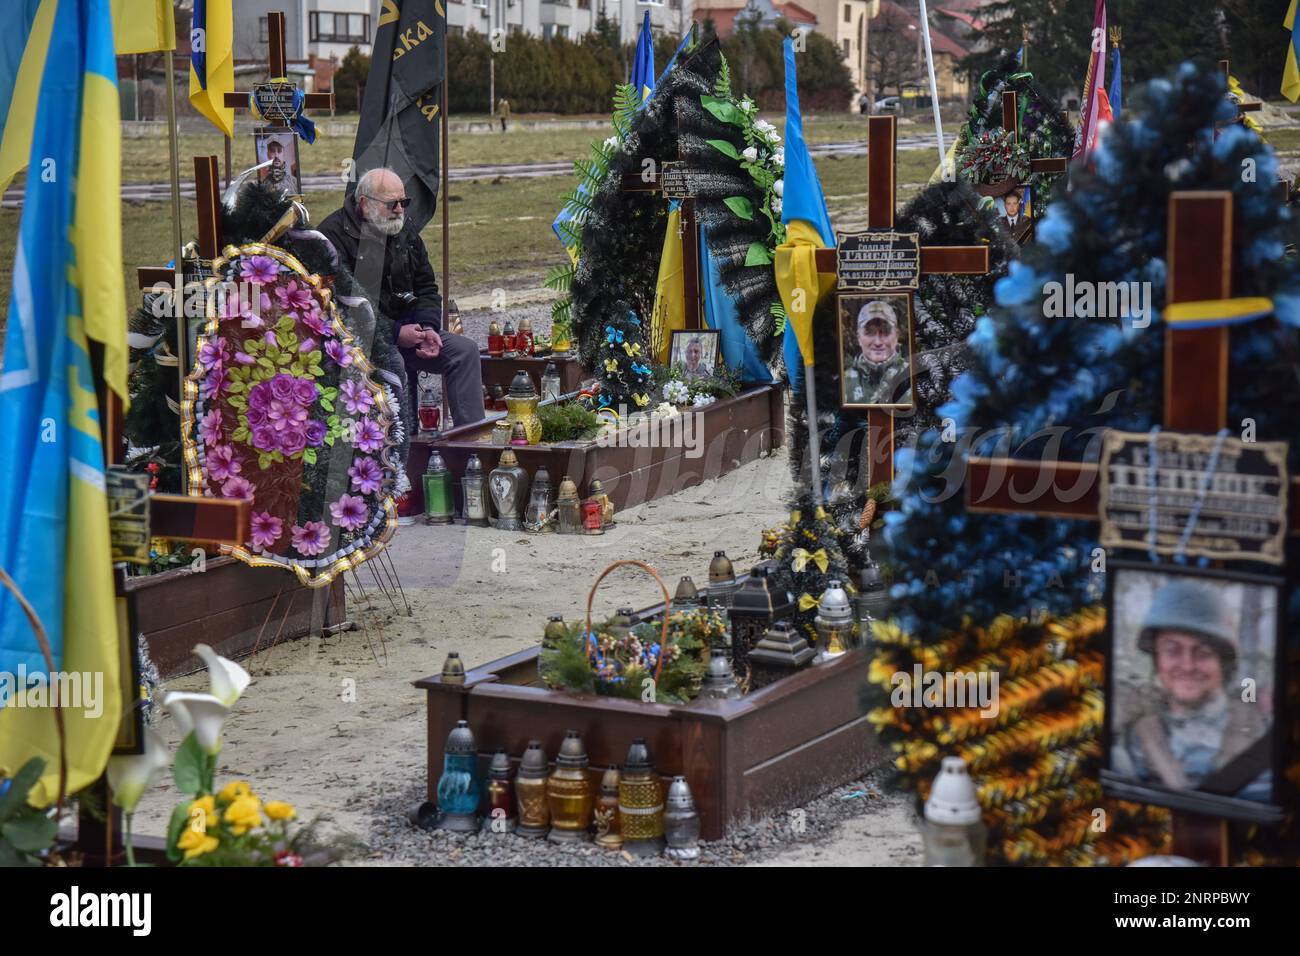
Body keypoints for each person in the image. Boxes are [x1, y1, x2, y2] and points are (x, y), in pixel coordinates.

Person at [318, 167, 485, 435]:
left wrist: (428, 327)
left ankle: (471, 446)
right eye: (391, 203)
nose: (399, 209)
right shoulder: (332, 237)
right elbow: (342, 306)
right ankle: (400, 456)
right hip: (357, 343)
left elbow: (427, 287)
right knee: (394, 362)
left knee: (464, 351)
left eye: (404, 202)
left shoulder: (405, 230)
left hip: (408, 332)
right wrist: (395, 333)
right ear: (365, 203)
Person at [1112, 580, 1272, 801]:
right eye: (1172, 650)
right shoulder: (1134, 738)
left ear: (1223, 663)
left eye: (1203, 652)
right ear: (1156, 660)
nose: (1187, 666)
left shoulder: (1259, 731)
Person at [842, 300, 911, 406]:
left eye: (886, 332)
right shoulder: (844, 383)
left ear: (897, 336)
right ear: (859, 337)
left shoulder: (913, 377)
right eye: (869, 333)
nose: (878, 342)